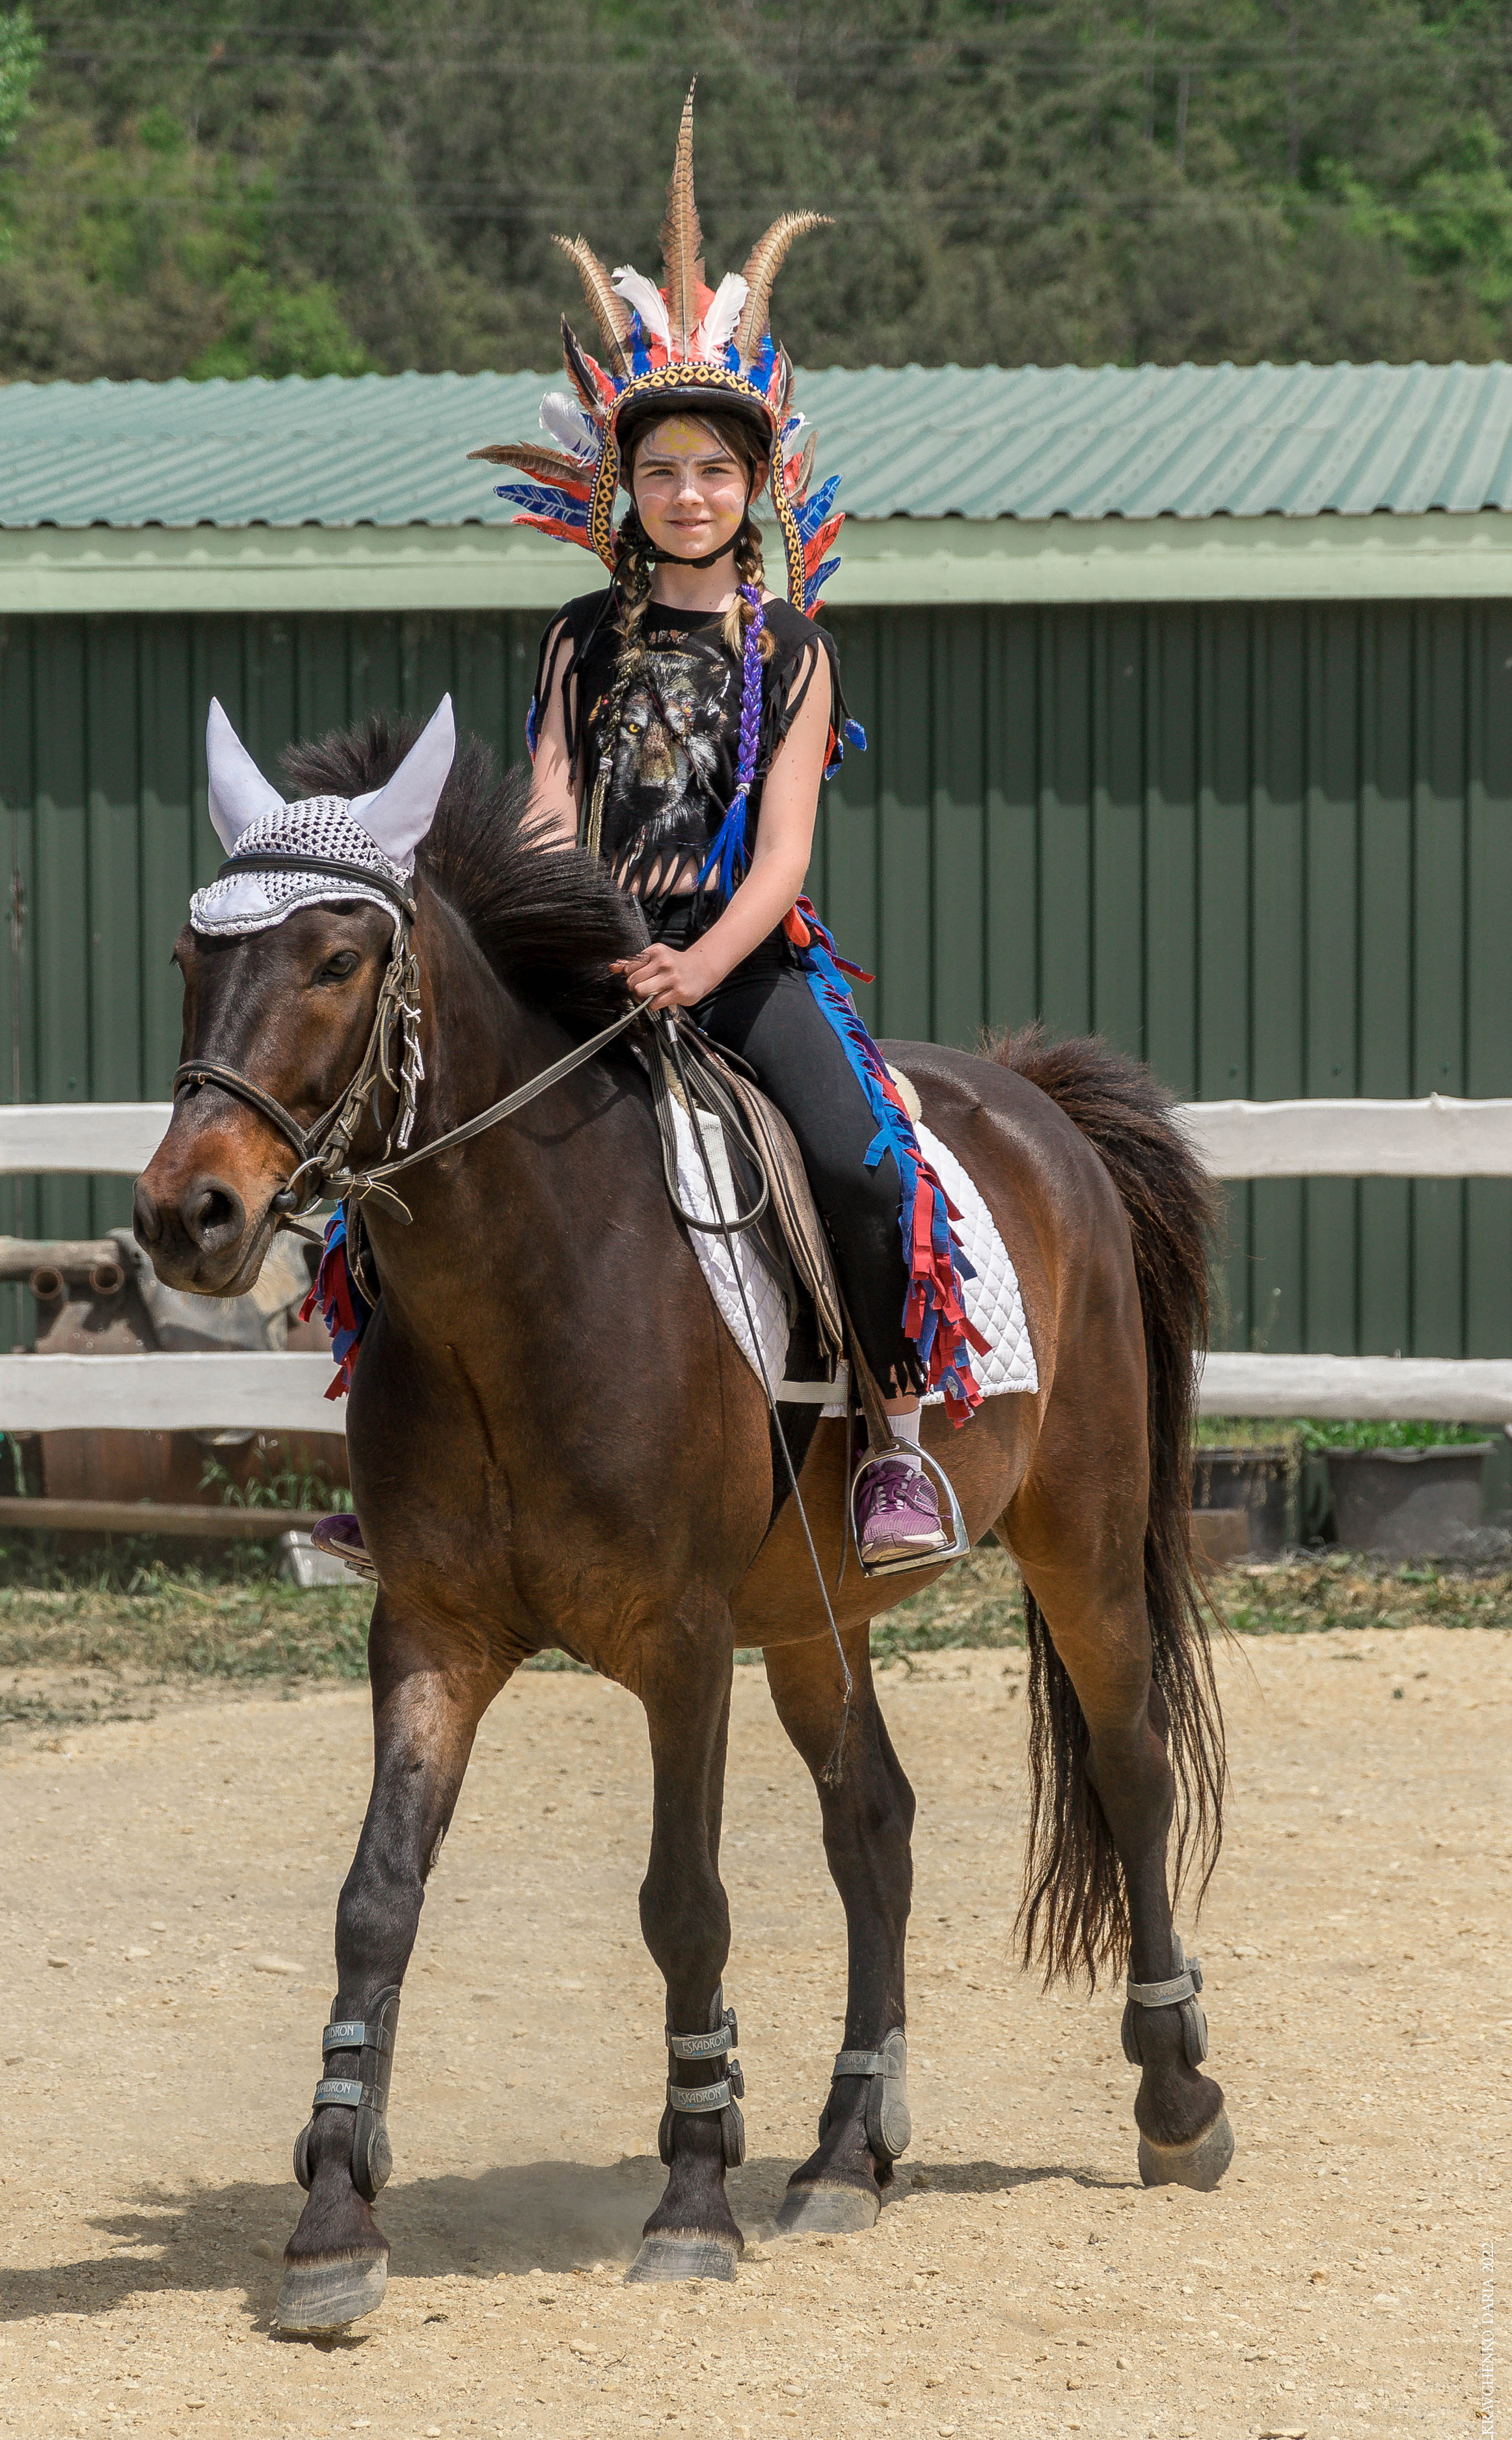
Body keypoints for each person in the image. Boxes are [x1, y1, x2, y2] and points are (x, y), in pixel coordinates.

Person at [471, 85, 986, 1566]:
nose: (685, 493)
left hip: (738, 957)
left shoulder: (796, 655)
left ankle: (889, 1436)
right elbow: (550, 809)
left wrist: (696, 973)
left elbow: (781, 863)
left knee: (868, 1161)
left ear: (755, 487)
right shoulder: (577, 638)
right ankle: (410, 1436)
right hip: (586, 941)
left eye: (712, 471)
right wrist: (570, 939)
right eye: (658, 471)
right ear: (619, 492)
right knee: (427, 1117)